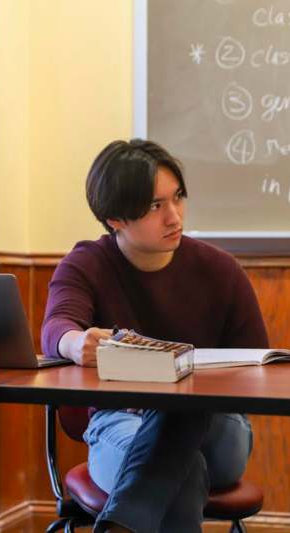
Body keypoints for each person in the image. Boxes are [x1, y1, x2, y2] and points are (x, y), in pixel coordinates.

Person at [41, 139, 269, 533]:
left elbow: (259, 364)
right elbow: (57, 326)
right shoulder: (87, 264)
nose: (174, 216)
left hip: (218, 429)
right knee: (184, 469)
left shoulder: (220, 270)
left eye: (178, 197)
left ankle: (120, 522)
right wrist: (75, 343)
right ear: (115, 218)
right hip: (121, 422)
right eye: (154, 206)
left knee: (181, 403)